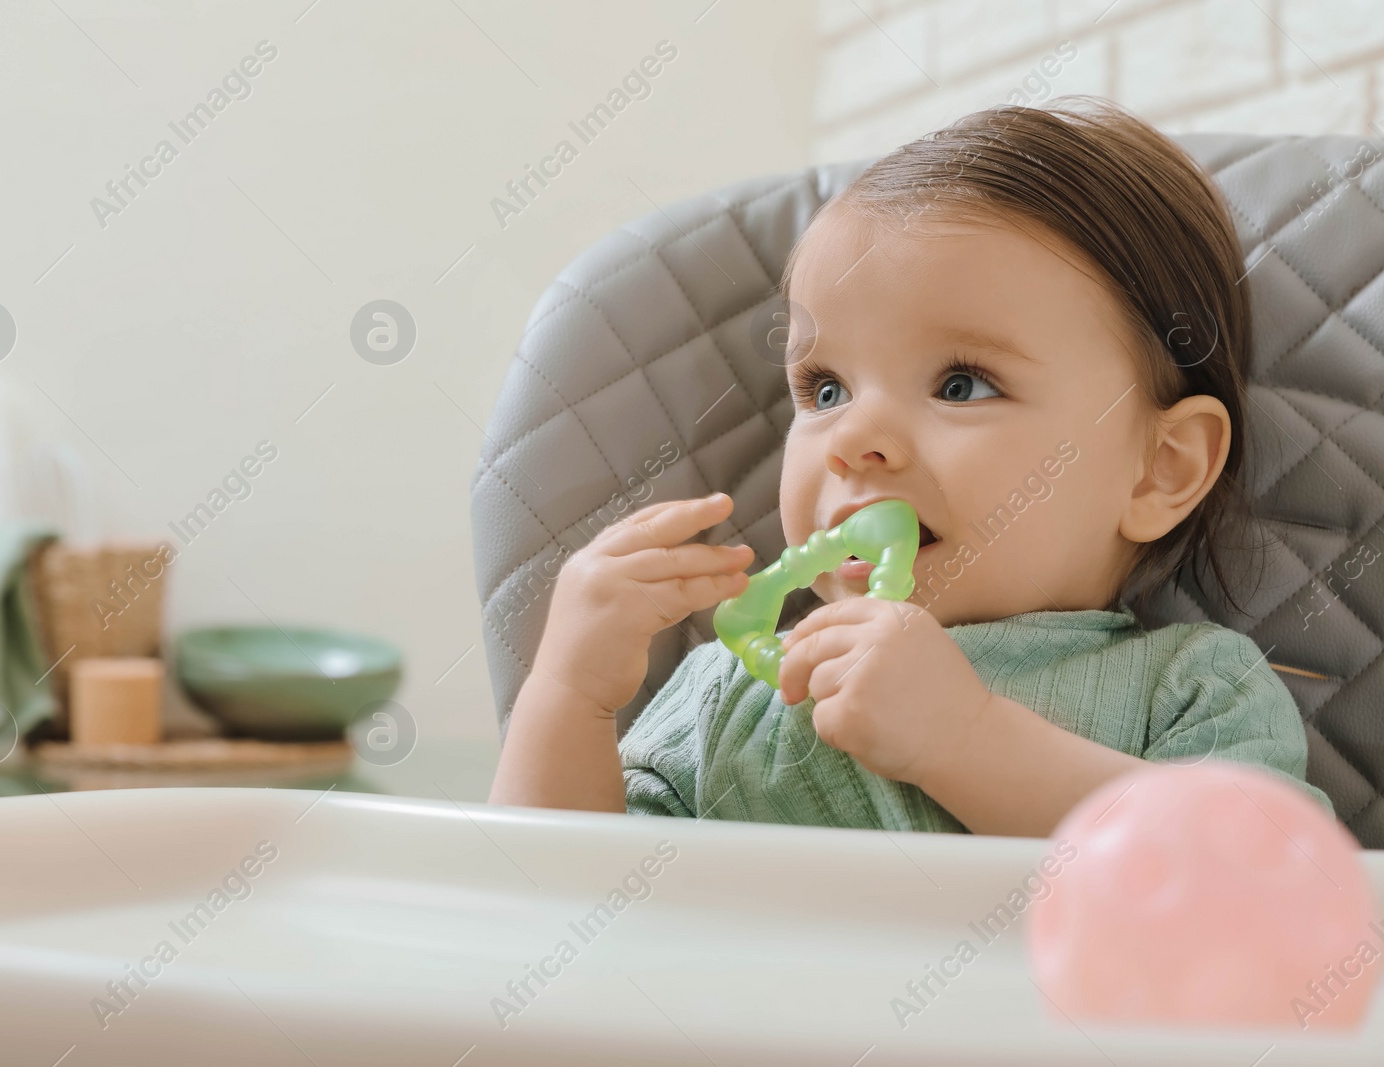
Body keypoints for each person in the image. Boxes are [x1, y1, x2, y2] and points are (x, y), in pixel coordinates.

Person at [488, 99, 1334, 837]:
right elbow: (558, 912)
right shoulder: (728, 689)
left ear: (1160, 469)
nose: (856, 439)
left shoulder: (1190, 687)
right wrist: (568, 697)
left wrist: (964, 739)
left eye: (960, 384)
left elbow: (1261, 893)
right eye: (824, 389)